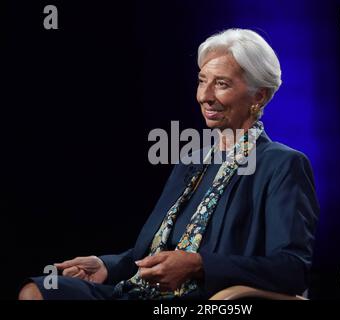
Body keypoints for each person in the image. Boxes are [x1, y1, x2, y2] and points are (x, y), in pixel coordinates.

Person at [19, 28, 319, 300]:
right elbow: (155, 251)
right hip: (137, 291)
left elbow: (292, 269)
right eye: (202, 81)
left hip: (203, 299)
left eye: (222, 84)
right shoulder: (192, 161)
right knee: (39, 291)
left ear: (259, 96)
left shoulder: (283, 164)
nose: (205, 96)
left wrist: (199, 266)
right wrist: (105, 266)